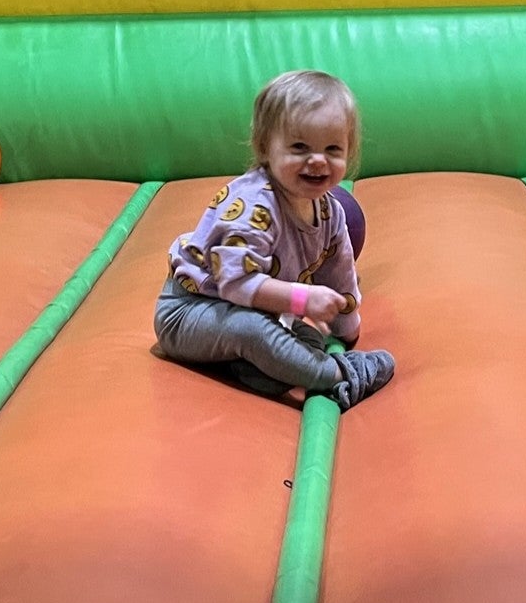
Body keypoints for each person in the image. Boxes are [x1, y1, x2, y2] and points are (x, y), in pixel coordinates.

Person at [153, 70, 395, 410]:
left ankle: (251, 370)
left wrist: (346, 327)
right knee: (252, 331)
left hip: (252, 311)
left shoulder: (331, 213)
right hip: (188, 310)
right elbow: (235, 284)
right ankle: (342, 375)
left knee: (306, 338)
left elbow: (339, 275)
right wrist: (302, 299)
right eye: (299, 147)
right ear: (266, 147)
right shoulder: (253, 206)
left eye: (333, 149)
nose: (317, 159)